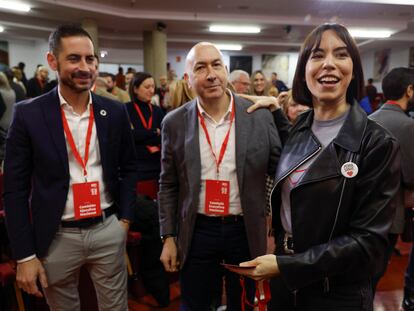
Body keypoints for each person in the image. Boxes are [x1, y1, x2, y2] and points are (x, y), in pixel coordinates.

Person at [227, 23, 401, 311]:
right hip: (287, 285)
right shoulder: (300, 129)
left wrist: (287, 265)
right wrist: (272, 107)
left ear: (353, 69)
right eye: (317, 55)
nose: (329, 64)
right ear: (304, 70)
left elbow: (368, 243)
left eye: (341, 55)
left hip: (336, 292)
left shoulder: (377, 143)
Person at [4, 24, 137, 311]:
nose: (85, 67)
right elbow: (14, 190)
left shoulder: (113, 111)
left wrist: (123, 220)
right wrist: (25, 256)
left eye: (90, 59)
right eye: (74, 58)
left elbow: (129, 168)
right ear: (53, 61)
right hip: (56, 235)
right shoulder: (29, 114)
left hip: (106, 228)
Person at [158, 42, 281, 311]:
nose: (211, 74)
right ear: (188, 79)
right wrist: (168, 236)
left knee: (247, 303)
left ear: (225, 70)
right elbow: (168, 184)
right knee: (196, 304)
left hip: (245, 229)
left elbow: (282, 170)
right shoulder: (174, 123)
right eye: (200, 68)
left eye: (216, 65)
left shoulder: (258, 116)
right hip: (198, 230)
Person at [369, 67, 414, 309]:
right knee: (375, 273)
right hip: (390, 213)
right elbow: (411, 176)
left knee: (365, 276)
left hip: (363, 211)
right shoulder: (407, 126)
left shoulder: (369, 119)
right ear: (409, 90)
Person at [126, 72, 165, 183]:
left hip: (156, 163)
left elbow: (163, 136)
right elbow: (129, 136)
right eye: (147, 87)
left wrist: (141, 135)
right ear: (135, 89)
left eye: (153, 87)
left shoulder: (157, 110)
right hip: (135, 164)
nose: (152, 91)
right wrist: (153, 131)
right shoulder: (126, 109)